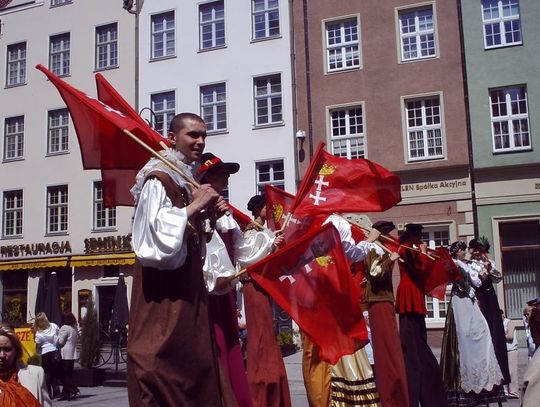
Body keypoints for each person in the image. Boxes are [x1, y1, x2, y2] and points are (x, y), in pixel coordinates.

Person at [127, 113, 225, 405]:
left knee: (195, 364)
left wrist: (207, 214)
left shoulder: (185, 178)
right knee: (161, 365)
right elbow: (152, 240)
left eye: (204, 136)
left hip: (187, 289)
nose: (200, 141)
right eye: (193, 135)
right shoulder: (158, 177)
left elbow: (193, 239)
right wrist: (197, 204)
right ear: (172, 137)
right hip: (163, 294)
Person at [197, 152, 253, 407]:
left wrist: (271, 244)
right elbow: (200, 248)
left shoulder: (224, 209)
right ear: (207, 176)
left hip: (225, 293)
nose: (227, 176)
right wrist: (210, 218)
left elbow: (242, 250)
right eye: (222, 172)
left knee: (229, 346)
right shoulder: (199, 203)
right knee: (216, 347)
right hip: (208, 293)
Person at [239, 193, 291, 407]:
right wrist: (272, 244)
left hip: (262, 284)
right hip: (254, 284)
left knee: (266, 328)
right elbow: (251, 259)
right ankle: (262, 374)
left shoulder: (261, 231)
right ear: (258, 209)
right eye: (265, 208)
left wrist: (273, 242)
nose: (268, 211)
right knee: (261, 329)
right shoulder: (252, 230)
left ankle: (269, 373)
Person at [440, 241, 505, 406]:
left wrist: (485, 269)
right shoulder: (455, 264)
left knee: (483, 333)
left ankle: (484, 379)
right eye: (463, 250)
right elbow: (463, 281)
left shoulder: (468, 265)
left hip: (474, 301)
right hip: (462, 301)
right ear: (457, 252)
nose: (465, 253)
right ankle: (464, 382)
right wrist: (466, 287)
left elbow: (479, 282)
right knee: (465, 336)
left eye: (464, 250)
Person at [395, 223, 447, 407]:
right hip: (408, 293)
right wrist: (424, 253)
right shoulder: (405, 249)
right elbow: (419, 269)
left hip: (415, 294)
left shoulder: (412, 249)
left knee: (418, 339)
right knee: (410, 341)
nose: (420, 239)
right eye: (418, 236)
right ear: (412, 236)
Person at [361, 220, 409, 407]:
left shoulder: (382, 248)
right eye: (386, 233)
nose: (389, 237)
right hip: (377, 301)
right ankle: (388, 395)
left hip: (385, 300)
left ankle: (395, 391)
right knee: (385, 349)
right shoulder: (373, 248)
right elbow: (375, 273)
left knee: (391, 348)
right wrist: (391, 259)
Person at [468, 238, 511, 386]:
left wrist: (489, 268)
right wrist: (483, 272)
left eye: (480, 250)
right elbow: (475, 282)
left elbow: (498, 278)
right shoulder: (470, 265)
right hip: (478, 298)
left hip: (490, 299)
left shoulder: (489, 262)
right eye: (475, 250)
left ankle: (499, 371)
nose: (478, 253)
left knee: (495, 331)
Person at [33, 312, 61, 400]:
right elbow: (58, 333)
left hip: (45, 352)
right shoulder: (53, 326)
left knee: (47, 373)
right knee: (55, 373)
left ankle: (48, 393)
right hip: (54, 351)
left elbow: (38, 343)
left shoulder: (39, 332)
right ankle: (57, 392)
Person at [56, 312, 80, 401]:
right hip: (72, 354)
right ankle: (66, 394)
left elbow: (60, 342)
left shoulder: (64, 328)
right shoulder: (74, 328)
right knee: (68, 374)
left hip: (64, 354)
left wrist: (55, 337)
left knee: (61, 374)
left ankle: (73, 389)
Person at [501, 310, 519, 399]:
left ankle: (513, 392)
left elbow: (510, 336)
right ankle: (505, 391)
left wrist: (500, 335)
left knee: (512, 372)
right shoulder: (497, 324)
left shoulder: (509, 322)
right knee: (503, 371)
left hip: (511, 350)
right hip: (502, 351)